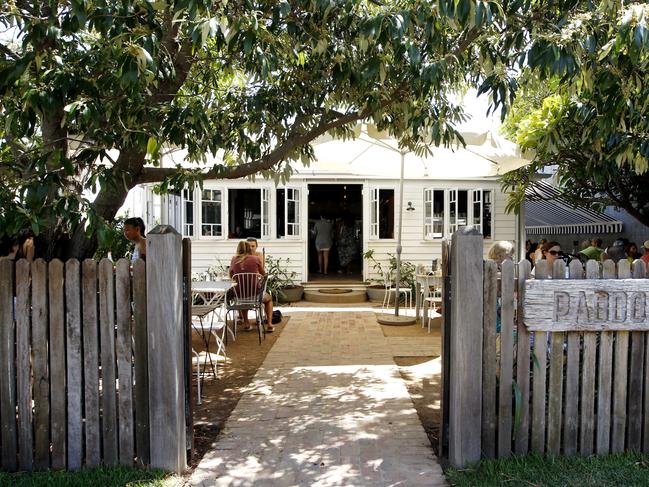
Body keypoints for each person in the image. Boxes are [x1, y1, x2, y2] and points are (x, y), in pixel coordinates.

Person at [229, 240, 274, 332]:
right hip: (255, 294)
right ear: (248, 249)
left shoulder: (234, 259)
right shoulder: (255, 259)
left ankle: (246, 323)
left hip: (239, 294)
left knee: (243, 299)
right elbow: (264, 274)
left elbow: (231, 275)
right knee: (269, 299)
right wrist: (257, 276)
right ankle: (269, 324)